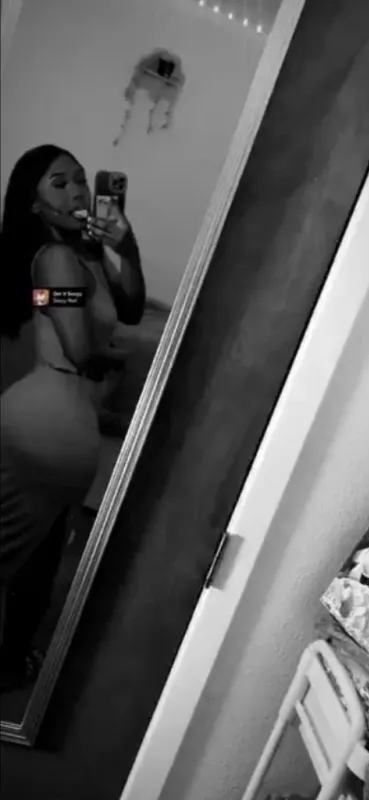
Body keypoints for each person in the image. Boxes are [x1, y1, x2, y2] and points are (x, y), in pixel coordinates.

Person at [0, 144, 145, 690]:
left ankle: (11, 659)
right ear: (33, 202)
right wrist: (121, 360)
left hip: (58, 418)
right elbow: (80, 349)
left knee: (35, 553)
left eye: (81, 180)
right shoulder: (54, 261)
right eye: (58, 183)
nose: (77, 192)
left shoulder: (83, 257)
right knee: (29, 550)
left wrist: (124, 244)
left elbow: (131, 307)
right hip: (50, 419)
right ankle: (11, 662)